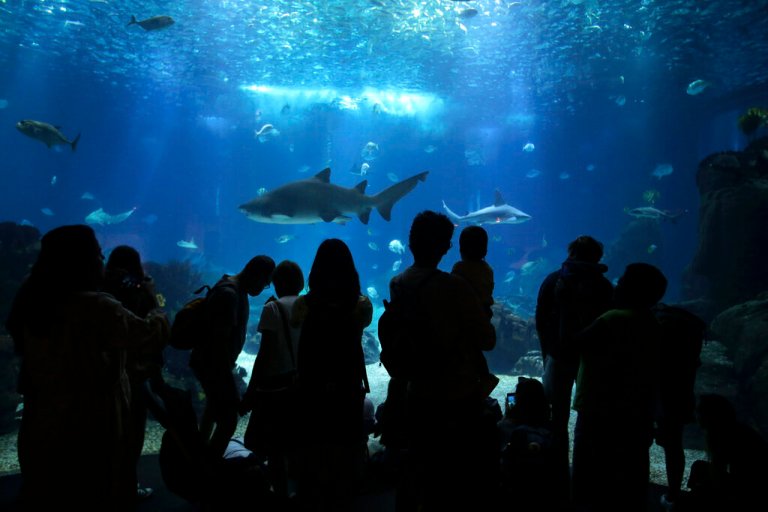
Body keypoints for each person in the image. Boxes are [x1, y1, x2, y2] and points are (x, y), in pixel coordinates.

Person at [5, 224, 169, 510]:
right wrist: (155, 302)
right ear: (80, 262)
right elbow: (148, 335)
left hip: (42, 410)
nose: (102, 261)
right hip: (89, 416)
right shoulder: (98, 306)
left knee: (45, 484)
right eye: (98, 254)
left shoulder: (33, 296)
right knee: (92, 486)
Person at [386, 210, 497, 511]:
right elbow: (487, 340)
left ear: (411, 243)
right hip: (455, 393)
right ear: (444, 247)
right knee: (454, 475)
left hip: (417, 391)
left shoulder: (398, 283)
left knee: (419, 466)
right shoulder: (453, 286)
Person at [570, 262, 668, 512]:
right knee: (629, 479)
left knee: (587, 478)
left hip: (597, 410)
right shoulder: (653, 323)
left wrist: (574, 306)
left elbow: (573, 345)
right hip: (635, 413)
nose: (617, 283)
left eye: (622, 280)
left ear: (631, 289)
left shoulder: (612, 319)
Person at [290, 238, 372, 511]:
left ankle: (312, 491)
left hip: (312, 378)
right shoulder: (362, 305)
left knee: (313, 437)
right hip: (347, 378)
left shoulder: (303, 304)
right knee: (346, 437)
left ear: (316, 270)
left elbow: (295, 324)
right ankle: (345, 493)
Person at [534, 234, 614, 504]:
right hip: (591, 361)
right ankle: (583, 480)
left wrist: (548, 354)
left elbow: (540, 319)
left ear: (571, 252)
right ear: (597, 257)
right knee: (588, 418)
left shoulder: (554, 279)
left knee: (556, 418)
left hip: (558, 355)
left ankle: (556, 477)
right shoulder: (603, 286)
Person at [189, 254, 275, 463]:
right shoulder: (230, 295)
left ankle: (198, 458)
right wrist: (230, 381)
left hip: (210, 364)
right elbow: (218, 343)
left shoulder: (234, 287)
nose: (262, 288)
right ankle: (209, 470)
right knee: (228, 422)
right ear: (256, 275)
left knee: (212, 409)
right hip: (214, 366)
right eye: (264, 283)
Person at [102, 244, 165, 501]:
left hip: (105, 374)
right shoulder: (134, 292)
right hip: (132, 371)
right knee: (132, 433)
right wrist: (151, 296)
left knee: (109, 435)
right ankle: (127, 487)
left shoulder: (101, 289)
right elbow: (151, 331)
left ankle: (106, 486)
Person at [241, 259, 305, 498]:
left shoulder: (272, 309)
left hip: (274, 389)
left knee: (276, 449)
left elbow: (263, 355)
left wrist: (251, 390)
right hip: (301, 385)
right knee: (297, 444)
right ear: (300, 283)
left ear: (275, 284)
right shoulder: (308, 306)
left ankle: (279, 495)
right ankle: (303, 493)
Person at [652, 302, 707, 510]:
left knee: (639, 440)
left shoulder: (656, 321)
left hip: (655, 391)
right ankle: (673, 495)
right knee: (673, 446)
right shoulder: (688, 328)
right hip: (679, 394)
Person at [685, 393, 768, 512]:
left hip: (752, 489)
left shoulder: (722, 436)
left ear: (711, 415)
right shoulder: (734, 429)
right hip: (746, 482)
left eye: (699, 411)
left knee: (700, 476)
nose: (696, 416)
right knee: (699, 467)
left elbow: (718, 473)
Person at [497, 377, 556, 511]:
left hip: (511, 489)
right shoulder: (551, 430)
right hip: (543, 493)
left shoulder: (505, 426)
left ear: (517, 403)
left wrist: (507, 416)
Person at [451, 225, 494, 318]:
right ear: (485, 251)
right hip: (483, 316)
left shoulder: (459, 267)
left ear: (460, 250)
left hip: (463, 315)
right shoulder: (488, 269)